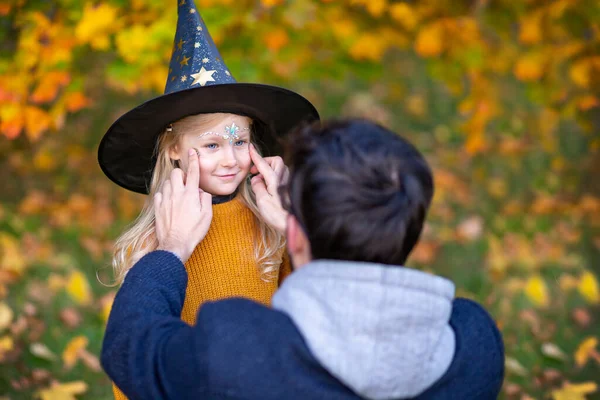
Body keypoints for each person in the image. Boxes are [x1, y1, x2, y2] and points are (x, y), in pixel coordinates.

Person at [101, 119, 505, 399]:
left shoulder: (235, 352)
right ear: (411, 227)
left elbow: (131, 346)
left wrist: (170, 249)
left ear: (293, 233)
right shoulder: (475, 345)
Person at [97, 1, 318, 399]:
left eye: (240, 141)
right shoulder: (159, 240)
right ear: (175, 151)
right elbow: (137, 343)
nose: (230, 159)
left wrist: (292, 223)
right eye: (212, 144)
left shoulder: (268, 223)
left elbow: (312, 308)